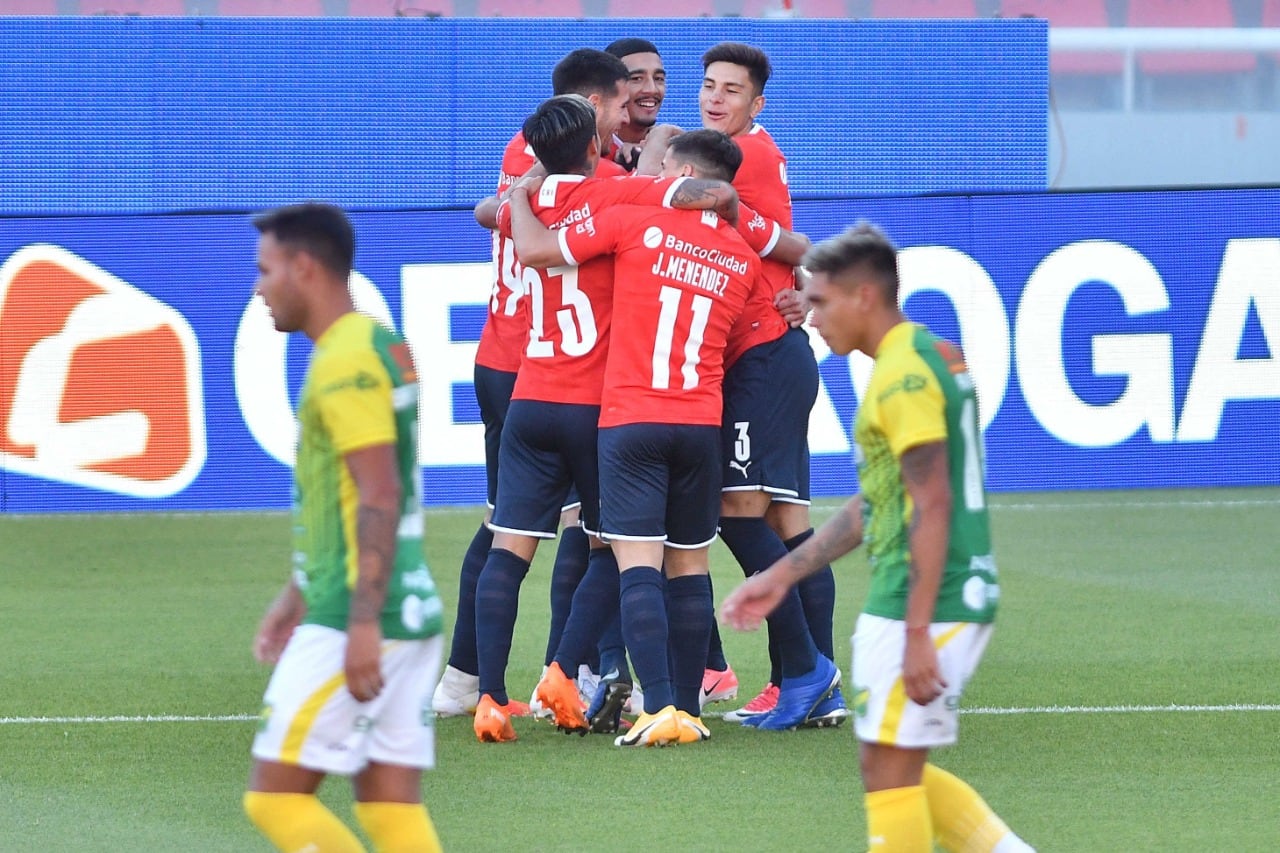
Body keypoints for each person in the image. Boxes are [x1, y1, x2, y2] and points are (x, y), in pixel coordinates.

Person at [721, 223, 1034, 852]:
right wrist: (781, 575)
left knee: (889, 772)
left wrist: (918, 631)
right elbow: (880, 501)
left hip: (931, 596)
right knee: (889, 767)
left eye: (819, 301)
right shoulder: (925, 354)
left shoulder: (902, 378)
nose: (810, 318)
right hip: (926, 591)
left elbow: (933, 502)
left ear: (864, 297)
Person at [470, 96, 741, 743]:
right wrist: (721, 206)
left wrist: (523, 190)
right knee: (610, 548)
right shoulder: (620, 194)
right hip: (600, 405)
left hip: (532, 395)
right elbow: (698, 191)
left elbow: (491, 216)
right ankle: (568, 670)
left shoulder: (520, 203)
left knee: (508, 548)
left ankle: (489, 697)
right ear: (596, 146)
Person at [432, 46, 634, 720]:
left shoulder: (525, 157)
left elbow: (486, 210)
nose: (631, 110)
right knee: (593, 531)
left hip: (513, 362)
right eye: (624, 98)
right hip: (552, 373)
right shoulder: (596, 178)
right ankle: (568, 671)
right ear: (592, 108)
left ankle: (472, 681)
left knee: (510, 527)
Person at [244, 203, 446, 853]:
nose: (258, 287)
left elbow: (380, 491)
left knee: (275, 797)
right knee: (390, 810)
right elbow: (353, 490)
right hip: (404, 606)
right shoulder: (381, 342)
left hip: (360, 614)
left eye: (266, 270)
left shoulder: (343, 362)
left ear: (304, 267)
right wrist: (299, 588)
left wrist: (360, 621)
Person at [697, 41, 844, 729]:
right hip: (772, 355)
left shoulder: (742, 156)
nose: (715, 98)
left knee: (736, 513)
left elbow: (791, 242)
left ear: (757, 102)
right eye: (709, 85)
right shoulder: (746, 151)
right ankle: (806, 684)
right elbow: (789, 243)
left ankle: (808, 671)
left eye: (731, 90)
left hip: (760, 358)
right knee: (790, 529)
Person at [604, 37, 665, 171]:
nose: (652, 89)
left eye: (658, 79)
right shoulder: (589, 157)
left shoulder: (675, 152)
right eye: (637, 79)